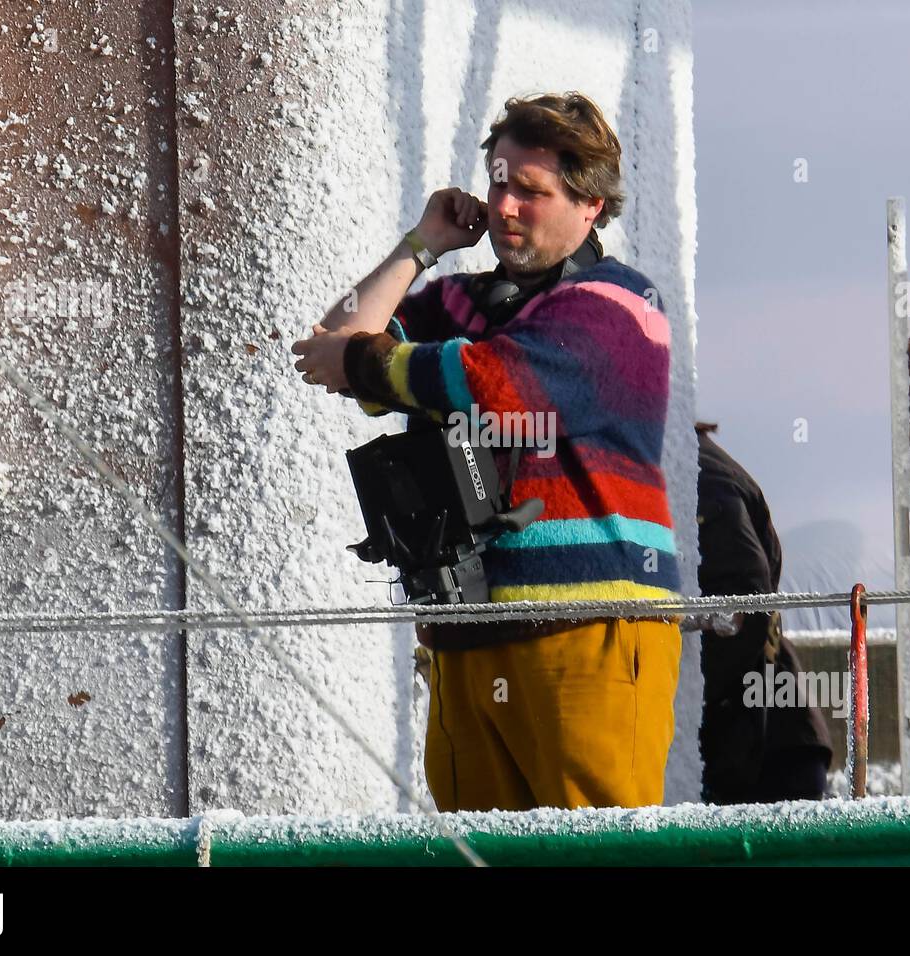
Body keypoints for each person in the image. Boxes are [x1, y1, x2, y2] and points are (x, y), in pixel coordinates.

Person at [291, 92, 682, 812]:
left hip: (588, 625)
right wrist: (420, 245)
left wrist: (370, 365)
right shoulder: (465, 303)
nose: (504, 205)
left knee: (598, 862)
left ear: (591, 205)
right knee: (474, 857)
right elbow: (336, 338)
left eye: (530, 191)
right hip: (465, 630)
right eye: (499, 181)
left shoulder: (624, 303)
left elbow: (500, 386)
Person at [694, 423, 832, 804]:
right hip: (766, 739)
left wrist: (684, 701)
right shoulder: (698, 470)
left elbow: (744, 605)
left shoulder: (699, 477)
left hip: (760, 751)